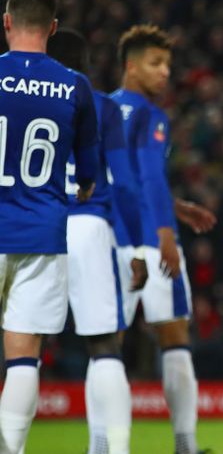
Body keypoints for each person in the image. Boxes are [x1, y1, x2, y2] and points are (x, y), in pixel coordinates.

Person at [0, 0, 99, 454]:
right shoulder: (74, 86)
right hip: (40, 234)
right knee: (23, 360)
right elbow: (89, 179)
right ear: (53, 27)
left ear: (6, 22)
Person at [109, 24, 216, 454]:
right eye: (155, 63)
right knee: (173, 337)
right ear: (130, 66)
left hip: (108, 239)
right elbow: (148, 177)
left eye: (168, 64)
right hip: (151, 242)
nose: (164, 72)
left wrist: (177, 206)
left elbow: (123, 180)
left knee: (106, 345)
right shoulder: (152, 116)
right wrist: (167, 234)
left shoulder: (99, 110)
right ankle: (185, 446)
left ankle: (105, 444)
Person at [48, 28, 147, 454]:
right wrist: (137, 248)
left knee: (22, 347)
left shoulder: (19, 99)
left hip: (31, 225)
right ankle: (115, 449)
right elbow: (124, 184)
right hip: (89, 225)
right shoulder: (104, 107)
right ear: (87, 64)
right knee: (103, 343)